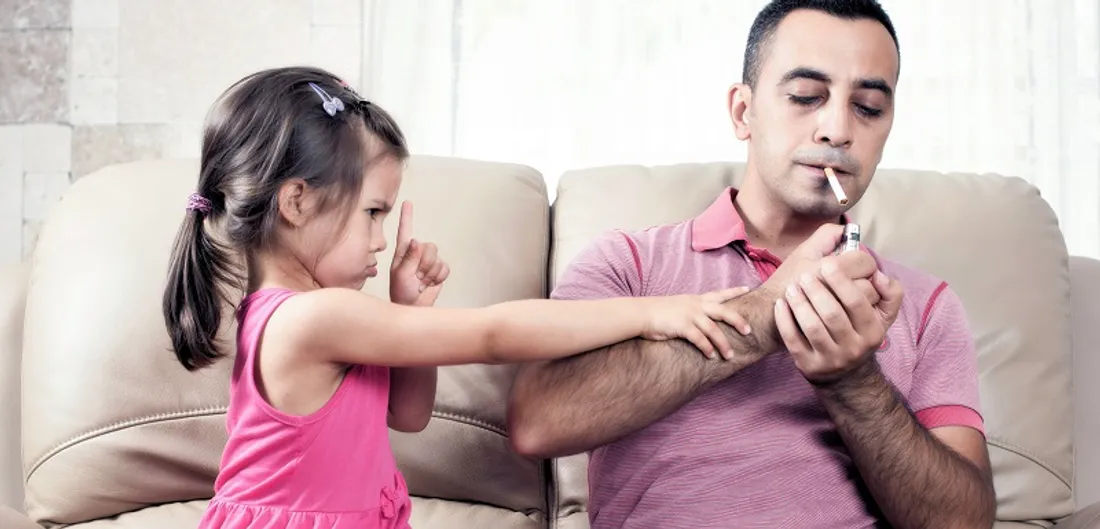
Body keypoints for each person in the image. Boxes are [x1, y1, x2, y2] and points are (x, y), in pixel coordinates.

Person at [161, 66, 757, 529]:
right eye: (373, 213)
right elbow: (493, 336)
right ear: (296, 203)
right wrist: (650, 311)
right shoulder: (313, 318)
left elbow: (409, 415)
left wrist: (408, 313)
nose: (381, 240)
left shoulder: (318, 319)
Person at [507, 1, 997, 528]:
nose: (837, 129)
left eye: (868, 107)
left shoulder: (924, 306)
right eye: (806, 97)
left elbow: (963, 523)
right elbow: (537, 422)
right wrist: (765, 312)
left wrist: (853, 380)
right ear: (744, 113)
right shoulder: (629, 264)